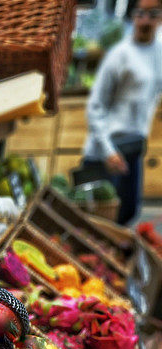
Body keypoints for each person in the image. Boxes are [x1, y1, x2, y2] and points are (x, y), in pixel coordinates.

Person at [83, 0, 162, 224]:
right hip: (106, 150)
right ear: (133, 16)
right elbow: (95, 106)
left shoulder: (159, 53)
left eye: (153, 14)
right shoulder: (120, 55)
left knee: (129, 213)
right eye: (140, 13)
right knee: (101, 221)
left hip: (134, 147)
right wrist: (108, 151)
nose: (145, 20)